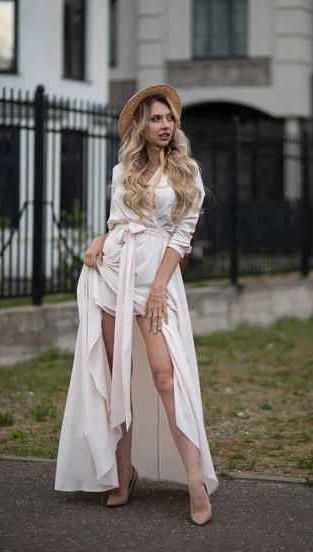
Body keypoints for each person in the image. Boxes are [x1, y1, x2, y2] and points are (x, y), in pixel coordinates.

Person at [55, 84, 218, 525]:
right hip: (112, 275)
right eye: (157, 119)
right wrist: (99, 238)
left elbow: (181, 238)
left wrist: (161, 288)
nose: (165, 126)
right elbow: (117, 223)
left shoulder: (188, 174)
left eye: (170, 119)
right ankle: (123, 472)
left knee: (167, 378)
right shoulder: (121, 170)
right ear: (142, 126)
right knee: (116, 376)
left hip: (155, 282)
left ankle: (194, 478)